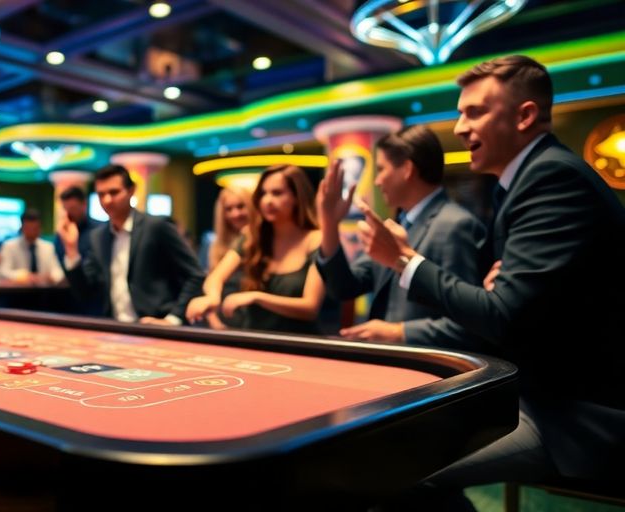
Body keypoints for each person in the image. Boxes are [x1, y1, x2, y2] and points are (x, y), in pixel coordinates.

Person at [357, 55, 625, 507]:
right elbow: (512, 310)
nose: (459, 127)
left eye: (474, 112)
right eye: (461, 113)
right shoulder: (522, 183)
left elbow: (501, 318)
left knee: (395, 466)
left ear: (524, 116)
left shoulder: (550, 177)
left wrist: (404, 259)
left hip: (578, 413)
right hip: (539, 393)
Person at [315, 125, 487, 348]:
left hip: (434, 375)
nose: (377, 181)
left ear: (406, 169)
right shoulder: (396, 226)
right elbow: (344, 287)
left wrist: (399, 332)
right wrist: (329, 223)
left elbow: (472, 323)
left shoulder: (455, 225)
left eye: (381, 169)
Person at [186, 165, 327, 334]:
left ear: (297, 196)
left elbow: (310, 308)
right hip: (255, 339)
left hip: (299, 343)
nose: (267, 200)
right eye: (263, 194)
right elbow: (215, 277)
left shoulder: (316, 239)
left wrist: (256, 297)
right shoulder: (252, 236)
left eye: (277, 193)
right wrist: (212, 297)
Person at [57, 164, 203, 325]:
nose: (107, 200)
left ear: (131, 190)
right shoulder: (98, 237)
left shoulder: (156, 226)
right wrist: (71, 250)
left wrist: (172, 319)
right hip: (115, 328)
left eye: (114, 192)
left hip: (156, 327)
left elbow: (195, 275)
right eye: (101, 194)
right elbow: (86, 293)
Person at [196, 186, 254, 329]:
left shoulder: (259, 240)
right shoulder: (214, 245)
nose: (235, 214)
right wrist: (215, 322)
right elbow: (211, 282)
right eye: (229, 209)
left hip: (252, 321)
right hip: (222, 321)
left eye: (241, 206)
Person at [0, 209, 65, 285]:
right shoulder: (9, 246)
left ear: (40, 228)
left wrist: (51, 276)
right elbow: (2, 272)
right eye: (29, 228)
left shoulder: (48, 247)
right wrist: (22, 276)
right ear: (22, 228)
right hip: (16, 292)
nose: (32, 232)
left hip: (43, 292)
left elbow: (57, 271)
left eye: (35, 229)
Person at [53, 186, 99, 264]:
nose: (68, 214)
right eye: (65, 209)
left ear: (84, 204)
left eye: (73, 208)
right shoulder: (62, 232)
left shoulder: (98, 231)